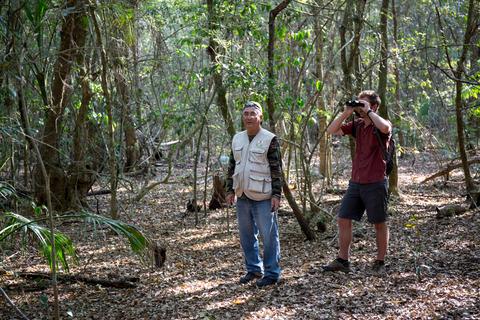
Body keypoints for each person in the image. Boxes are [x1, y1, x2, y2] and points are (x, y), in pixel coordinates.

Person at [323, 90, 392, 274]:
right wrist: (346, 112)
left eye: (364, 103)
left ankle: (380, 262)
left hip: (376, 181)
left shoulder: (380, 124)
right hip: (356, 182)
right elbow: (331, 131)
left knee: (379, 222)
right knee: (343, 218)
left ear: (374, 106)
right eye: (359, 104)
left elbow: (386, 128)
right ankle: (343, 260)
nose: (360, 107)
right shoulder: (357, 125)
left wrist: (369, 111)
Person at [225, 101, 283, 288]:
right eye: (246, 114)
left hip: (263, 196)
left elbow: (277, 169)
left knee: (269, 235)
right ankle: (253, 269)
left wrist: (276, 195)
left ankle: (272, 272)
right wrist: (229, 189)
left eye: (253, 114)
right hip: (242, 194)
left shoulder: (269, 139)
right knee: (246, 236)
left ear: (260, 117)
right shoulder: (237, 138)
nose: (249, 117)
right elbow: (232, 166)